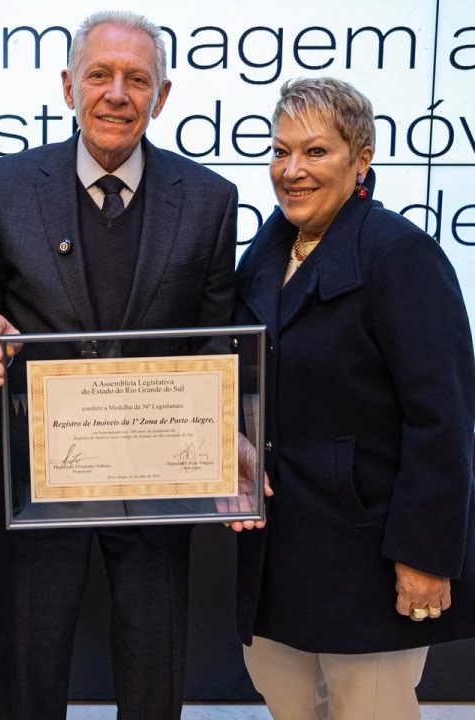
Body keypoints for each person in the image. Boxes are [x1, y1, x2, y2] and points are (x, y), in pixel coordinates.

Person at [0, 10, 237, 720]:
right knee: (29, 661)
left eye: (136, 79)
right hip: (37, 470)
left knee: (154, 661)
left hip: (160, 471)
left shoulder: (209, 199)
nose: (117, 93)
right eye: (99, 75)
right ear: (67, 86)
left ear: (162, 96)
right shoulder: (3, 185)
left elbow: (217, 335)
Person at [231, 77, 475, 719]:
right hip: (275, 554)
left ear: (361, 157)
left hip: (369, 556)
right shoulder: (267, 248)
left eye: (315, 152)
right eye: (280, 152)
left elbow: (442, 418)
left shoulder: (403, 255)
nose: (292, 171)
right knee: (288, 704)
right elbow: (234, 369)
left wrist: (425, 556)